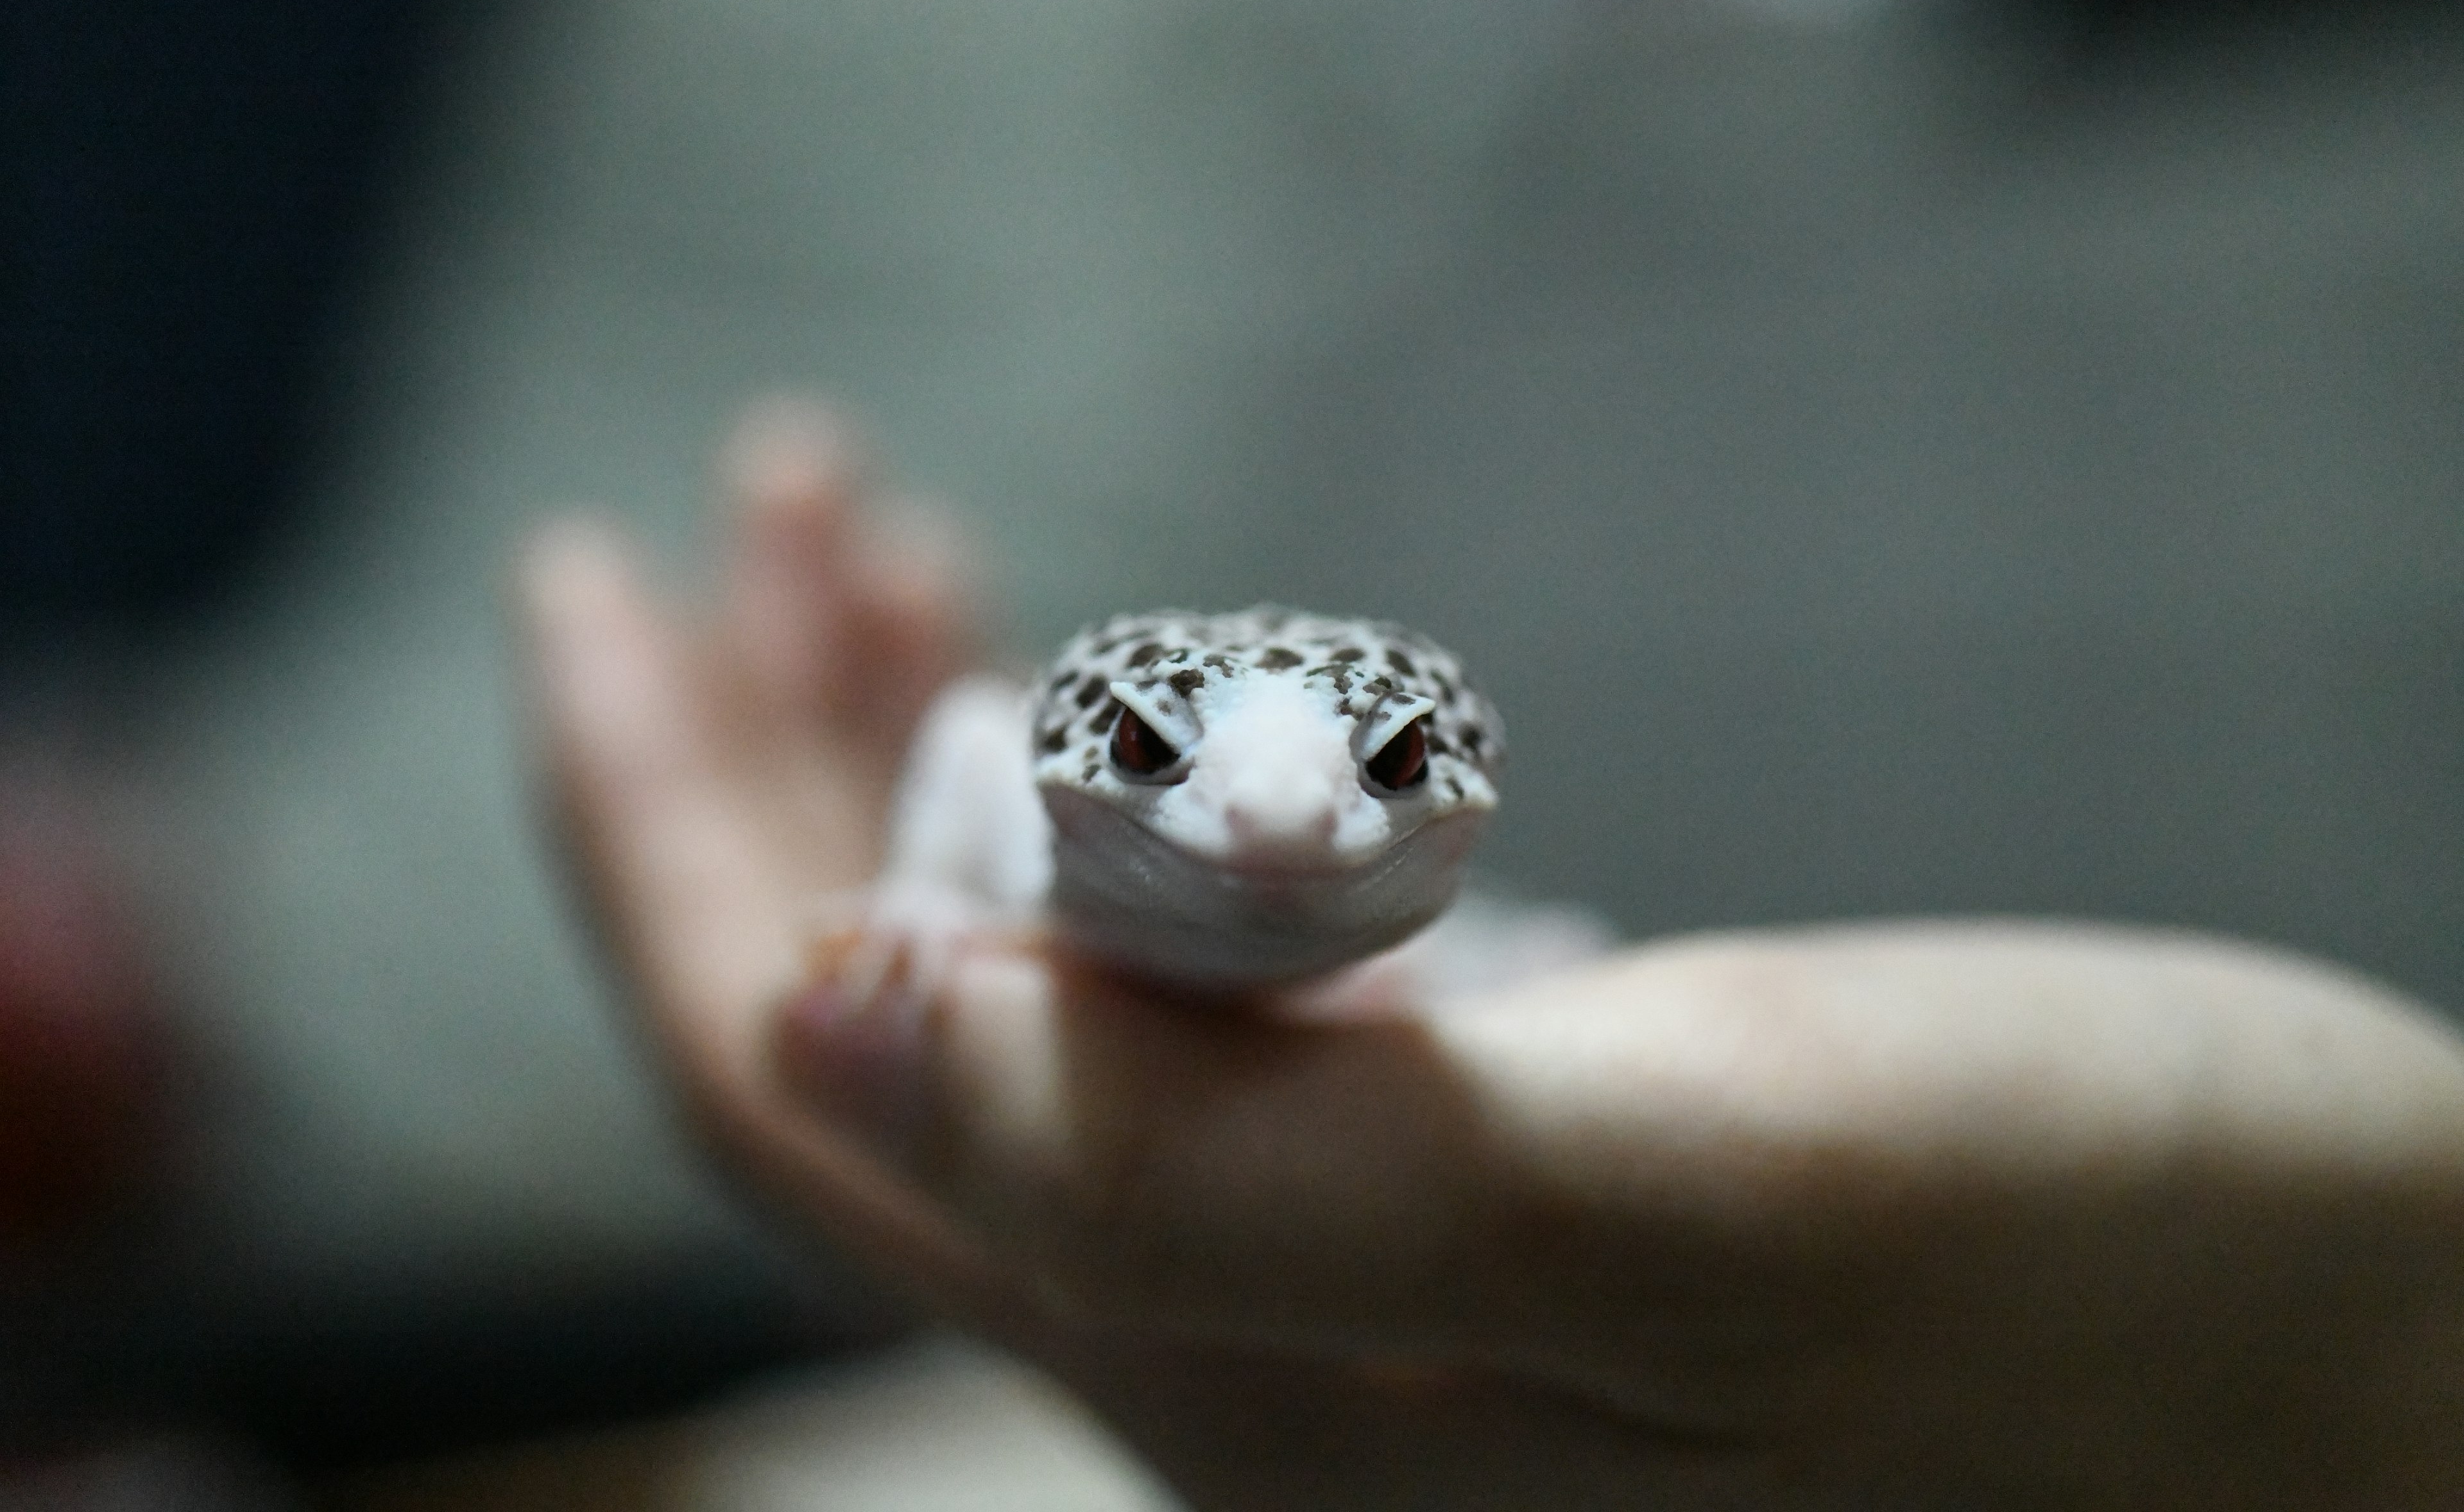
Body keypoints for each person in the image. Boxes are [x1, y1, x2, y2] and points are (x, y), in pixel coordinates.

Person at [516, 408, 2464, 1509]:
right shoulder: (1005, 790)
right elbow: (958, 746)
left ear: (1458, 778)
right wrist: (938, 910)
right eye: (1166, 762)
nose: (1279, 825)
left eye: (1371, 771)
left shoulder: (1429, 937)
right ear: (1077, 761)